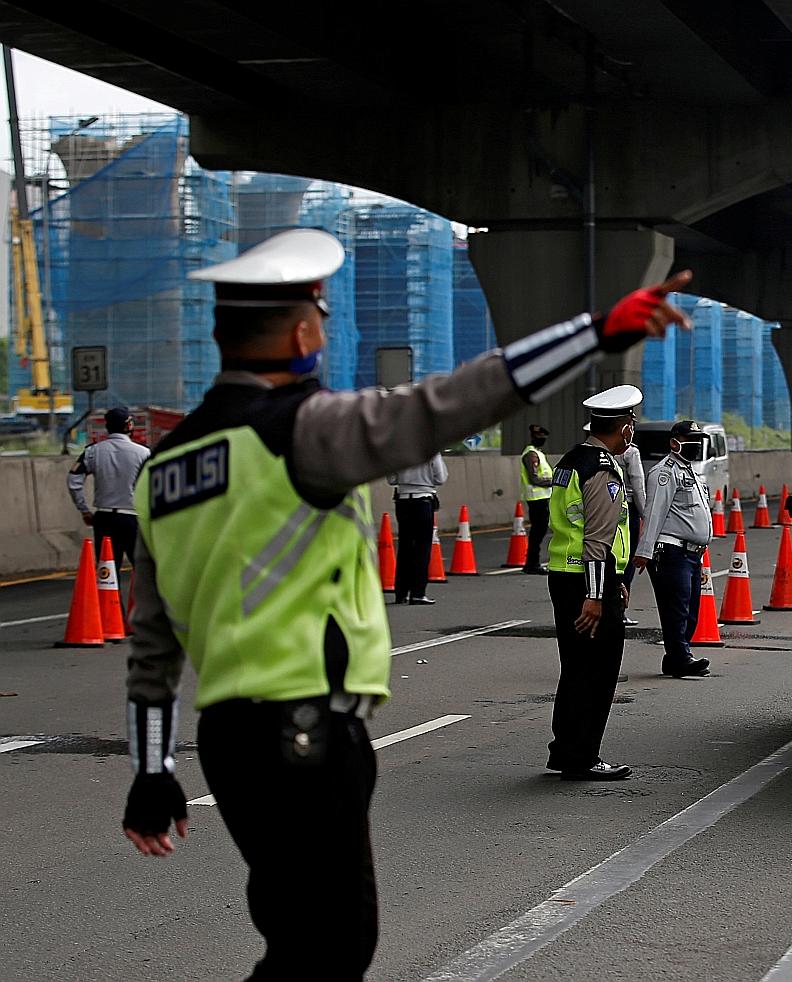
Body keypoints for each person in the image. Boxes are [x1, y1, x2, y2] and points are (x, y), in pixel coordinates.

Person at [119, 227, 691, 980]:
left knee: (302, 939)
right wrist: (594, 332)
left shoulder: (164, 467)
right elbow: (445, 404)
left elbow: (150, 645)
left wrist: (153, 768)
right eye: (322, 319)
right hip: (305, 733)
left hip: (228, 741)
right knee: (330, 946)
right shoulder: (305, 430)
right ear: (300, 331)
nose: (323, 333)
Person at [545, 385, 643, 781]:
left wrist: (613, 579)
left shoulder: (572, 459)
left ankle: (566, 749)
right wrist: (596, 594)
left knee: (575, 668)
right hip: (587, 582)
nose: (632, 430)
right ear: (623, 428)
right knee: (597, 672)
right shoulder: (603, 469)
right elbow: (598, 539)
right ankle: (583, 755)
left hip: (565, 575)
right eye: (631, 422)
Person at [632, 420, 713, 678]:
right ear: (674, 442)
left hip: (691, 553)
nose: (695, 445)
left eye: (698, 440)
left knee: (691, 610)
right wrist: (644, 551)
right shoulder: (664, 473)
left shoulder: (691, 472)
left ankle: (675, 657)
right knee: (676, 609)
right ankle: (680, 657)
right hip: (671, 551)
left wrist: (701, 553)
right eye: (690, 440)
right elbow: (653, 513)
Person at [67, 405, 151, 580]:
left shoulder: (93, 451)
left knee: (108, 573)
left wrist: (84, 509)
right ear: (128, 425)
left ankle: (112, 607)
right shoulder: (143, 453)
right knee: (145, 572)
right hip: (132, 518)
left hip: (104, 519)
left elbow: (74, 480)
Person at [387, 451, 447, 605]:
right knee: (422, 548)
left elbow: (391, 479)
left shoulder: (396, 451)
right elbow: (441, 478)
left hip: (402, 501)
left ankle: (400, 593)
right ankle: (418, 593)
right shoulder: (431, 450)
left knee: (405, 547)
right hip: (423, 501)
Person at [618, 439, 647, 626]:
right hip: (627, 508)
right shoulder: (629, 451)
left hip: (602, 507)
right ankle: (620, 609)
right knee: (626, 560)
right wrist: (647, 515)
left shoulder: (590, 452)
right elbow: (638, 487)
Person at [521, 424, 554, 574]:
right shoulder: (531, 455)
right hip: (537, 498)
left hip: (541, 498)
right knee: (537, 532)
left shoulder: (537, 453)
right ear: (534, 437)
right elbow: (534, 479)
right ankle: (532, 563)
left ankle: (532, 563)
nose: (542, 440)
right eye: (540, 437)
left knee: (538, 531)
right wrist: (553, 480)